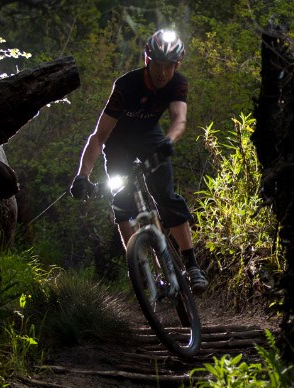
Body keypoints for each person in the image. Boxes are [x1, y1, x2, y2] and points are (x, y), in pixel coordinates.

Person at [69, 28, 208, 294]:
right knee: (121, 202)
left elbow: (179, 120)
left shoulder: (178, 83)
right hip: (118, 142)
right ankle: (139, 267)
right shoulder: (126, 86)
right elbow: (98, 137)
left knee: (166, 195)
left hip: (151, 137)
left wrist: (168, 143)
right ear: (148, 61)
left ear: (177, 65)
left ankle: (192, 265)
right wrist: (82, 176)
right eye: (159, 65)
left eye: (170, 67)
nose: (163, 73)